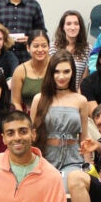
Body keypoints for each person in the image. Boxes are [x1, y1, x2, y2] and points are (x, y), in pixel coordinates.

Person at [30, 50, 89, 191]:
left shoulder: (81, 100)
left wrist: (88, 165)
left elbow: (84, 139)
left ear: (73, 72)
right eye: (57, 72)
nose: (61, 77)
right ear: (51, 73)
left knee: (65, 190)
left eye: (66, 71)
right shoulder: (39, 99)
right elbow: (31, 136)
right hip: (45, 157)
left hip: (73, 159)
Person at [11, 29, 50, 113]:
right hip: (27, 116)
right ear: (28, 48)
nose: (40, 50)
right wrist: (24, 121)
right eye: (36, 46)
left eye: (44, 46)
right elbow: (15, 102)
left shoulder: (55, 66)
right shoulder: (20, 70)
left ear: (49, 47)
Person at [50, 10, 90, 90]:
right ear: (63, 27)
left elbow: (84, 80)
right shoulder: (52, 47)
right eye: (68, 24)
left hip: (77, 93)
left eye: (76, 24)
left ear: (80, 27)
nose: (72, 27)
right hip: (55, 92)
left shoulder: (88, 49)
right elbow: (50, 75)